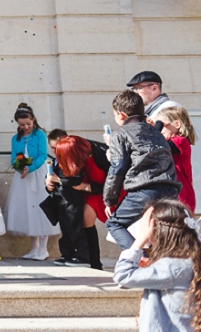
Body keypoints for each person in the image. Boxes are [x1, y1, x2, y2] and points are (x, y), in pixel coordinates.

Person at [104, 90, 181, 250]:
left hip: (144, 189)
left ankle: (138, 259)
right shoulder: (156, 132)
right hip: (170, 189)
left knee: (114, 223)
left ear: (121, 115)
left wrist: (110, 199)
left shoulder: (120, 133)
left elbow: (118, 167)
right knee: (161, 229)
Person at [113, 200, 200, 332]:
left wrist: (140, 239)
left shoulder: (171, 266)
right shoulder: (187, 261)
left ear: (158, 232)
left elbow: (123, 275)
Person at [4, 103, 59, 260]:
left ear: (33, 120)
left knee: (41, 209)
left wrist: (31, 167)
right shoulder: (16, 138)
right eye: (22, 125)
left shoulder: (40, 134)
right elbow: (14, 157)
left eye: (28, 123)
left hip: (37, 173)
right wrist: (19, 167)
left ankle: (43, 248)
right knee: (28, 210)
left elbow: (42, 155)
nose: (26, 127)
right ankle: (34, 247)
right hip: (23, 177)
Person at [45, 134, 107, 269]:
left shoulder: (103, 154)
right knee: (86, 220)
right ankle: (95, 264)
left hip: (109, 191)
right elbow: (59, 172)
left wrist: (88, 187)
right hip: (89, 192)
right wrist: (48, 182)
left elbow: (116, 183)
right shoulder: (75, 155)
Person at [155, 106, 196, 212]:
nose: (159, 130)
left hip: (181, 197)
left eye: (162, 125)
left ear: (177, 124)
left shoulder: (180, 141)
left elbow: (156, 145)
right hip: (172, 195)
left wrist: (152, 131)